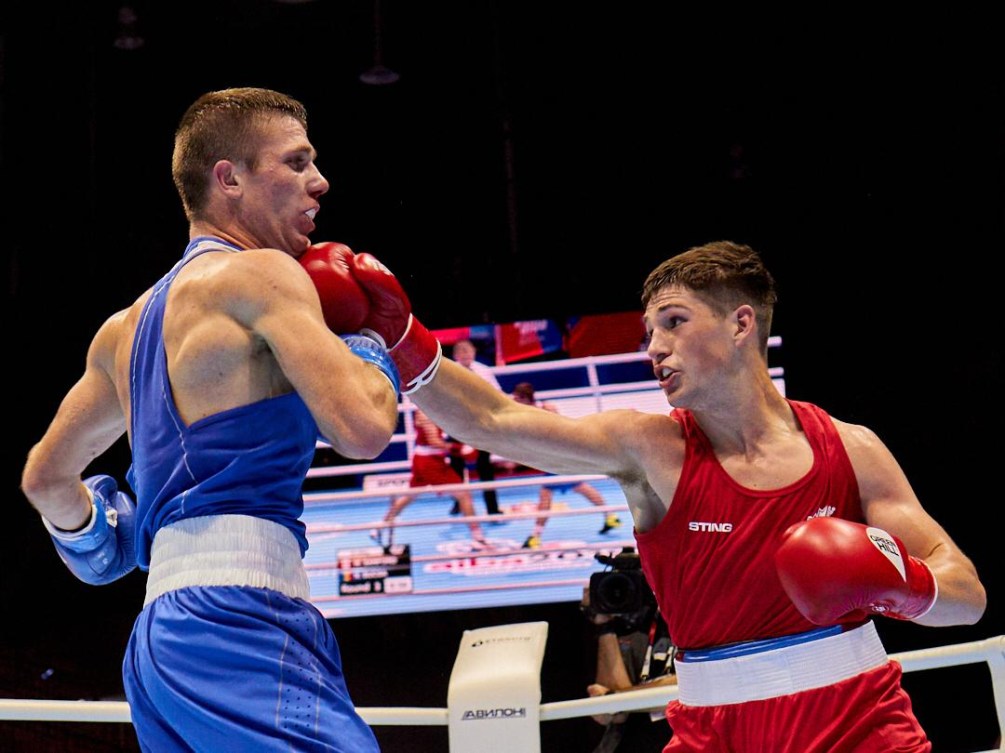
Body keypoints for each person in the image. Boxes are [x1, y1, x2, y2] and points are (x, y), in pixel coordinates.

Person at [341, 239, 987, 751]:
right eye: (649, 330)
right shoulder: (650, 448)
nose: (654, 347)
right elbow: (497, 423)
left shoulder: (850, 448)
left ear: (741, 324)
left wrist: (899, 582)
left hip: (857, 725)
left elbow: (968, 596)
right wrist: (402, 340)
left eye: (673, 323)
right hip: (715, 730)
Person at [19, 87, 402, 753]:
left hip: (158, 641)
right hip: (240, 619)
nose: (320, 181)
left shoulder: (124, 328)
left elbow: (46, 478)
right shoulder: (264, 276)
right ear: (229, 177)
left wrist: (108, 541)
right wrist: (372, 344)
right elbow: (362, 428)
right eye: (297, 161)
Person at [506, 382, 621, 549]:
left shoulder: (545, 410)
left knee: (546, 494)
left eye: (517, 398)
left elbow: (561, 429)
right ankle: (610, 516)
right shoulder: (527, 413)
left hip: (559, 456)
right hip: (555, 457)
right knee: (580, 487)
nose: (515, 401)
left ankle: (535, 537)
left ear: (524, 398)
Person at [371, 407, 488, 549]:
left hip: (423, 459)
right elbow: (434, 441)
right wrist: (458, 449)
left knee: (409, 496)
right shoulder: (427, 412)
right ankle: (478, 537)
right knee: (463, 495)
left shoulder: (427, 408)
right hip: (430, 462)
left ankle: (380, 527)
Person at [580, 585, 676, 753]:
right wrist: (604, 624)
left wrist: (615, 700)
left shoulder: (712, 616)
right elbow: (614, 713)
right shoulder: (636, 622)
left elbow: (689, 686)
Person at [447, 338, 503, 516]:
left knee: (484, 466)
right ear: (456, 355)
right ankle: (459, 502)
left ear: (474, 352)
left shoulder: (484, 371)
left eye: (467, 351)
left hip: (480, 425)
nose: (465, 355)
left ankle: (492, 508)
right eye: (461, 352)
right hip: (456, 424)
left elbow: (497, 393)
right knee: (456, 467)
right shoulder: (448, 371)